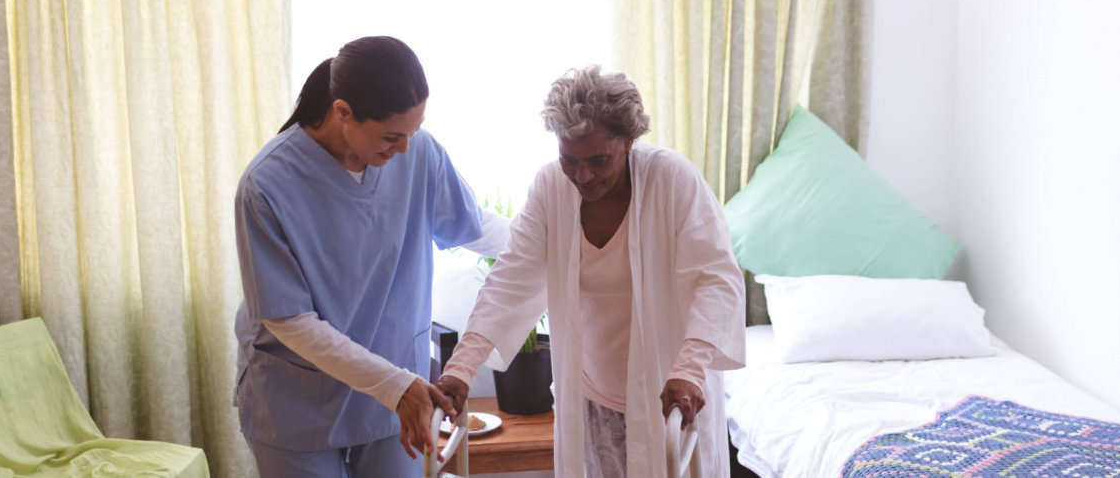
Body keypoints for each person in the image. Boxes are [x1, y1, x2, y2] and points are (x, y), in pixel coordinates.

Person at [435, 66, 746, 477]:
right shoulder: (551, 187)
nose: (583, 176)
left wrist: (689, 369)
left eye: (599, 160)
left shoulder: (671, 179)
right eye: (570, 160)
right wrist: (460, 367)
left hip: (671, 388)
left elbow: (715, 280)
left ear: (629, 141)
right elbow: (511, 278)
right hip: (591, 393)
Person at [233, 36, 507, 478]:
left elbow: (474, 226)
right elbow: (290, 322)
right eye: (391, 136)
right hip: (300, 401)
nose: (403, 150)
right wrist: (395, 386)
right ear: (343, 112)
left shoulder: (418, 152)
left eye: (413, 132)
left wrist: (557, 246)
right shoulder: (267, 186)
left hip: (398, 389)